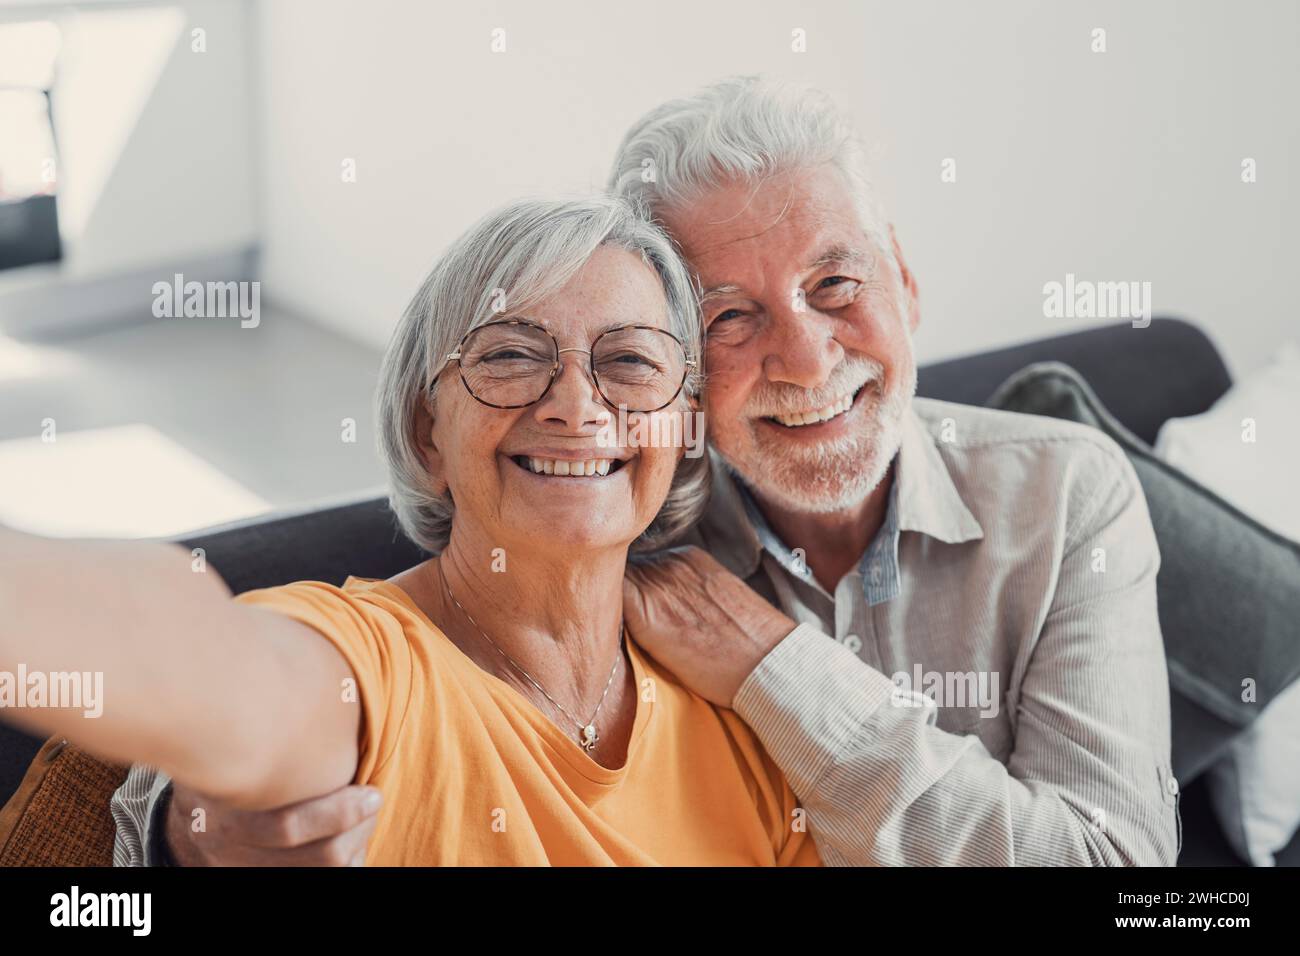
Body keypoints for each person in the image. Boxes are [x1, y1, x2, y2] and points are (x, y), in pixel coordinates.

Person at [114, 77, 1179, 867]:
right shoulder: (607, 514)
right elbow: (320, 679)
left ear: (902, 277)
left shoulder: (1064, 496)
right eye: (729, 317)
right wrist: (192, 824)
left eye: (837, 282)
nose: (807, 357)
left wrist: (776, 669)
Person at [2, 195, 822, 865]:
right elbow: (230, 674)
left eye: (632, 362)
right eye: (510, 355)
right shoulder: (378, 669)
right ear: (430, 433)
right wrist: (190, 828)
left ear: (681, 434)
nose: (575, 406)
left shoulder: (742, 721)